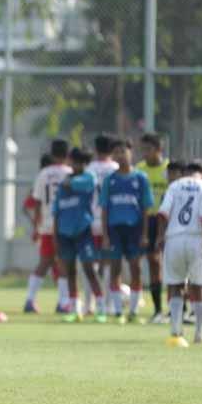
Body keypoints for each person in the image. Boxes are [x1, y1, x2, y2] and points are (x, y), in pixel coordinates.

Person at [157, 160, 202, 347]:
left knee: (175, 285)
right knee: (198, 287)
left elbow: (163, 213)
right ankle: (199, 334)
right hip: (195, 238)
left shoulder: (175, 185)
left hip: (173, 238)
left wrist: (160, 237)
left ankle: (176, 331)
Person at [101, 138, 153, 323]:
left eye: (123, 151)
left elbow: (145, 208)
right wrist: (105, 234)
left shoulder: (140, 178)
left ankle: (132, 311)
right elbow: (104, 208)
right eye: (116, 152)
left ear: (131, 153)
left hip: (134, 229)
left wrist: (145, 234)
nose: (120, 155)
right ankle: (117, 311)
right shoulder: (110, 180)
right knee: (115, 269)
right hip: (115, 229)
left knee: (136, 268)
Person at [54, 148, 105, 323]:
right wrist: (55, 236)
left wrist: (70, 182)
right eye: (74, 162)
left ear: (85, 163)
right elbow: (56, 211)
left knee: (90, 269)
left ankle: (101, 308)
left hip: (83, 231)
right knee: (70, 271)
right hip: (64, 232)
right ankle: (75, 309)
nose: (77, 166)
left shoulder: (89, 177)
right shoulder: (63, 184)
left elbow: (79, 184)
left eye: (80, 163)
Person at [25, 139, 72, 314]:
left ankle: (30, 300)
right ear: (68, 155)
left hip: (47, 225)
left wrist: (37, 226)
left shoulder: (44, 174)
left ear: (52, 155)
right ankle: (63, 302)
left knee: (44, 263)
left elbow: (36, 202)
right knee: (64, 263)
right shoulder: (70, 173)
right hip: (65, 226)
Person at [136, 133, 169, 324]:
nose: (145, 153)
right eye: (143, 149)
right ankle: (157, 310)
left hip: (167, 219)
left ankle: (180, 308)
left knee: (174, 263)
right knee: (153, 262)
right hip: (148, 220)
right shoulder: (139, 170)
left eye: (148, 149)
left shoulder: (168, 169)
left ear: (159, 150)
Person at [87, 135, 119, 315]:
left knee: (89, 264)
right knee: (108, 264)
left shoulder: (89, 168)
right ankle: (108, 305)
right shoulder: (115, 168)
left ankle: (89, 304)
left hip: (91, 220)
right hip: (110, 221)